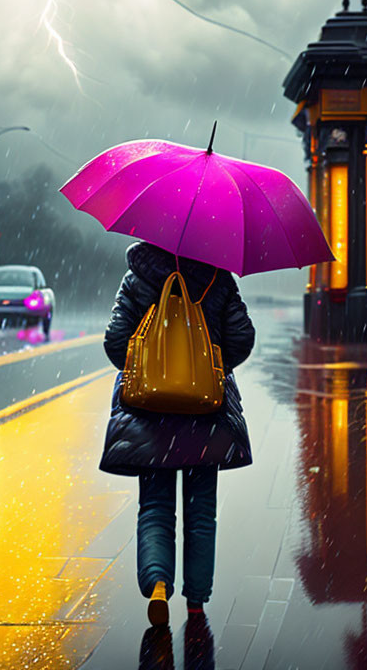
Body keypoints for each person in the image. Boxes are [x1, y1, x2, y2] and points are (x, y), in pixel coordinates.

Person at [102, 241, 255, 626]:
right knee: (201, 511)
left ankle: (156, 582)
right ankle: (197, 601)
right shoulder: (217, 277)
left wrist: (153, 365)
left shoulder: (137, 277)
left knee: (155, 506)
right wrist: (206, 364)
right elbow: (242, 339)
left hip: (150, 411)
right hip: (204, 411)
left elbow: (115, 342)